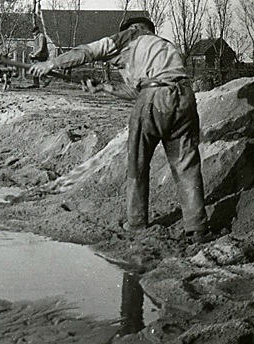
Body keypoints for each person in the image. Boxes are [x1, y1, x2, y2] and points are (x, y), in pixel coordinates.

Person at [30, 16, 208, 237]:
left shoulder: (131, 35)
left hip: (155, 96)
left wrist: (51, 64)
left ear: (134, 29)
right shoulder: (164, 47)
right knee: (186, 164)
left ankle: (136, 223)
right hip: (185, 97)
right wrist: (104, 88)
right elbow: (138, 90)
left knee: (137, 161)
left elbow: (88, 51)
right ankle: (197, 226)